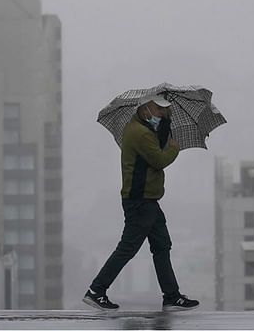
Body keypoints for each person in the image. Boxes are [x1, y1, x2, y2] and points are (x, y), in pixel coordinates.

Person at [83, 94, 200, 312]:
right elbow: (159, 160)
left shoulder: (144, 129)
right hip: (140, 201)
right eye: (158, 110)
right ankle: (96, 290)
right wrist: (174, 147)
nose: (161, 114)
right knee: (128, 248)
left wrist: (166, 124)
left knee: (162, 244)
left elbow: (156, 147)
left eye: (164, 110)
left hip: (148, 200)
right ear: (145, 108)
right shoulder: (139, 133)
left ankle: (171, 296)